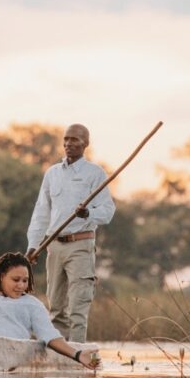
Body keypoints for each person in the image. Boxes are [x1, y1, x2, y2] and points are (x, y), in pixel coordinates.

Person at [25, 123, 114, 343]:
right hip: (54, 246)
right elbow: (41, 211)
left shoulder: (95, 173)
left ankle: (77, 355)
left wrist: (87, 214)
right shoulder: (52, 173)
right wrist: (33, 245)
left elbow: (108, 211)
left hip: (81, 245)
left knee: (78, 307)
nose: (68, 143)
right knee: (55, 307)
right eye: (66, 139)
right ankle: (58, 354)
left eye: (75, 139)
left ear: (86, 144)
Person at [0, 252, 98, 369]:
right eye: (15, 280)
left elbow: (49, 336)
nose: (21, 285)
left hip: (4, 348)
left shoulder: (32, 304)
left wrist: (77, 354)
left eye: (25, 281)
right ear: (1, 277)